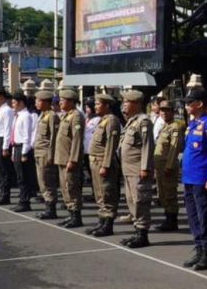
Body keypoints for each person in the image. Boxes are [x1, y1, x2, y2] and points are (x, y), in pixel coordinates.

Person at [181, 87, 207, 271]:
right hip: (189, 178)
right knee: (193, 216)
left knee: (204, 217)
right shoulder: (192, 124)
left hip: (202, 179)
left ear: (199, 104)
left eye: (190, 102)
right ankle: (198, 249)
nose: (187, 106)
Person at [119, 90, 154, 248]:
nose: (124, 104)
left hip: (138, 168)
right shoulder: (132, 121)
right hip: (128, 168)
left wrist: (145, 167)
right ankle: (136, 231)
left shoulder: (143, 121)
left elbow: (147, 145)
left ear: (136, 103)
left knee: (140, 201)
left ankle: (142, 234)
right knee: (131, 200)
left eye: (127, 101)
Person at [86, 93, 122, 238]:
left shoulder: (111, 120)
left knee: (107, 194)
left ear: (107, 105)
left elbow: (111, 145)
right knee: (99, 194)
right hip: (95, 161)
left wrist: (105, 165)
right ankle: (101, 221)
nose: (95, 106)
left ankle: (108, 224)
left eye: (98, 104)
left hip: (103, 162)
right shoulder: (102, 120)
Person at [55, 88, 85, 229]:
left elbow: (77, 140)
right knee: (65, 188)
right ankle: (70, 213)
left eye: (63, 100)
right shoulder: (65, 116)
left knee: (72, 187)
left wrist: (73, 159)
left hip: (69, 159)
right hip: (62, 158)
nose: (60, 102)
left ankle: (76, 216)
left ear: (71, 101)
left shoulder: (76, 116)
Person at [153, 100, 183, 232]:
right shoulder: (165, 126)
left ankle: (171, 221)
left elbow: (174, 149)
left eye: (167, 110)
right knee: (162, 194)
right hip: (160, 166)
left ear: (173, 112)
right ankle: (168, 218)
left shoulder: (174, 127)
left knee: (170, 194)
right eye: (162, 110)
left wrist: (169, 166)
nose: (164, 113)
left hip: (167, 166)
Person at [33, 85, 60, 219]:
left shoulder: (52, 116)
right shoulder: (42, 115)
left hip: (45, 153)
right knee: (42, 181)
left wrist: (51, 155)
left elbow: (54, 138)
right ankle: (47, 206)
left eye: (38, 100)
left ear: (45, 102)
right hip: (38, 151)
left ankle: (51, 209)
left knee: (47, 181)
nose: (36, 103)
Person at [10, 92, 38, 212]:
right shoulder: (18, 115)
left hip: (22, 148)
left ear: (21, 103)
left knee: (23, 177)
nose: (12, 105)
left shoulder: (26, 116)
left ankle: (25, 202)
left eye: (14, 102)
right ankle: (22, 200)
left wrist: (24, 153)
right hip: (16, 147)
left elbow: (27, 136)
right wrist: (13, 152)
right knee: (19, 177)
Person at [0, 88, 16, 205]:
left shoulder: (7, 111)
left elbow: (7, 129)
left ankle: (5, 195)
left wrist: (5, 147)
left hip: (2, 141)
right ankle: (2, 194)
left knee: (4, 170)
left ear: (1, 98)